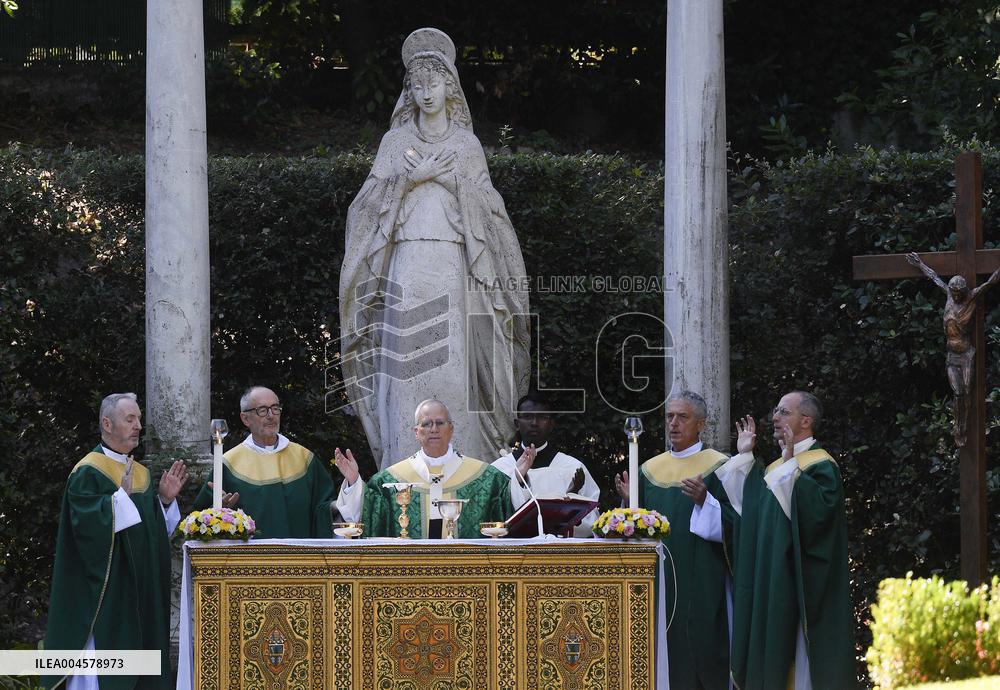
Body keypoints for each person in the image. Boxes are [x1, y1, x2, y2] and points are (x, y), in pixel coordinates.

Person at [339, 27, 529, 471]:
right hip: (405, 263)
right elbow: (364, 208)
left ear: (450, 88)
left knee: (454, 364)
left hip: (453, 263)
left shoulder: (465, 145)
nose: (426, 93)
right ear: (409, 91)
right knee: (403, 364)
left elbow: (491, 210)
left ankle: (467, 467)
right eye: (418, 85)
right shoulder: (394, 143)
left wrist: (448, 180)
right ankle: (401, 466)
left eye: (434, 83)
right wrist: (412, 178)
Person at [43, 393, 188, 690]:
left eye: (139, 419)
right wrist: (118, 499)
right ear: (107, 424)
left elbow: (151, 535)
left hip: (141, 591)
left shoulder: (141, 473)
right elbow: (84, 532)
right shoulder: (88, 471)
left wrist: (163, 500)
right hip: (108, 595)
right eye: (130, 419)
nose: (138, 426)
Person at [724, 391, 854, 690]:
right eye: (776, 410)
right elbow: (749, 512)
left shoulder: (821, 465)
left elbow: (818, 520)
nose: (774, 417)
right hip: (771, 578)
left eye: (784, 411)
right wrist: (744, 458)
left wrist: (789, 467)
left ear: (806, 421)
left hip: (797, 581)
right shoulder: (776, 467)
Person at [614, 391, 733, 690]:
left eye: (682, 417)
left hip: (703, 575)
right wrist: (630, 502)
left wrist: (706, 501)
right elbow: (637, 529)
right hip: (657, 578)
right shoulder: (649, 470)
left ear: (701, 424)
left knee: (700, 644)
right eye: (669, 417)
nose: (673, 423)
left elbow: (736, 525)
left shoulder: (720, 467)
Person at [338, 399, 511, 538]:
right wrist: (354, 482)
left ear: (451, 429)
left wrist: (519, 479)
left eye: (440, 423)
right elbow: (369, 515)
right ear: (416, 432)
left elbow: (512, 511)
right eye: (426, 424)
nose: (434, 429)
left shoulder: (487, 478)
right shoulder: (389, 481)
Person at [193, 386, 339, 538]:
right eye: (262, 410)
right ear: (245, 419)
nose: (271, 416)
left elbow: (323, 509)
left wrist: (346, 498)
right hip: (249, 554)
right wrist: (219, 509)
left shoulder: (304, 458)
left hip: (298, 553)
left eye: (275, 408)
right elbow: (201, 521)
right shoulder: (229, 464)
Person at [905, 251, 1000, 446]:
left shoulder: (971, 298)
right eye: (953, 292)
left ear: (964, 292)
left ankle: (968, 425)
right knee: (957, 392)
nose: (955, 296)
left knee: (967, 391)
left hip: (966, 355)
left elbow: (990, 282)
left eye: (958, 293)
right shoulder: (948, 295)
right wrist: (920, 264)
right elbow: (934, 277)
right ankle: (959, 428)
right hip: (952, 355)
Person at [492, 391, 600, 537]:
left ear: (551, 424)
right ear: (517, 424)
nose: (534, 423)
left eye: (542, 417)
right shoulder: (499, 469)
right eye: (528, 417)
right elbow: (492, 513)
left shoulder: (572, 467)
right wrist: (517, 481)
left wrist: (572, 502)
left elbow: (594, 522)